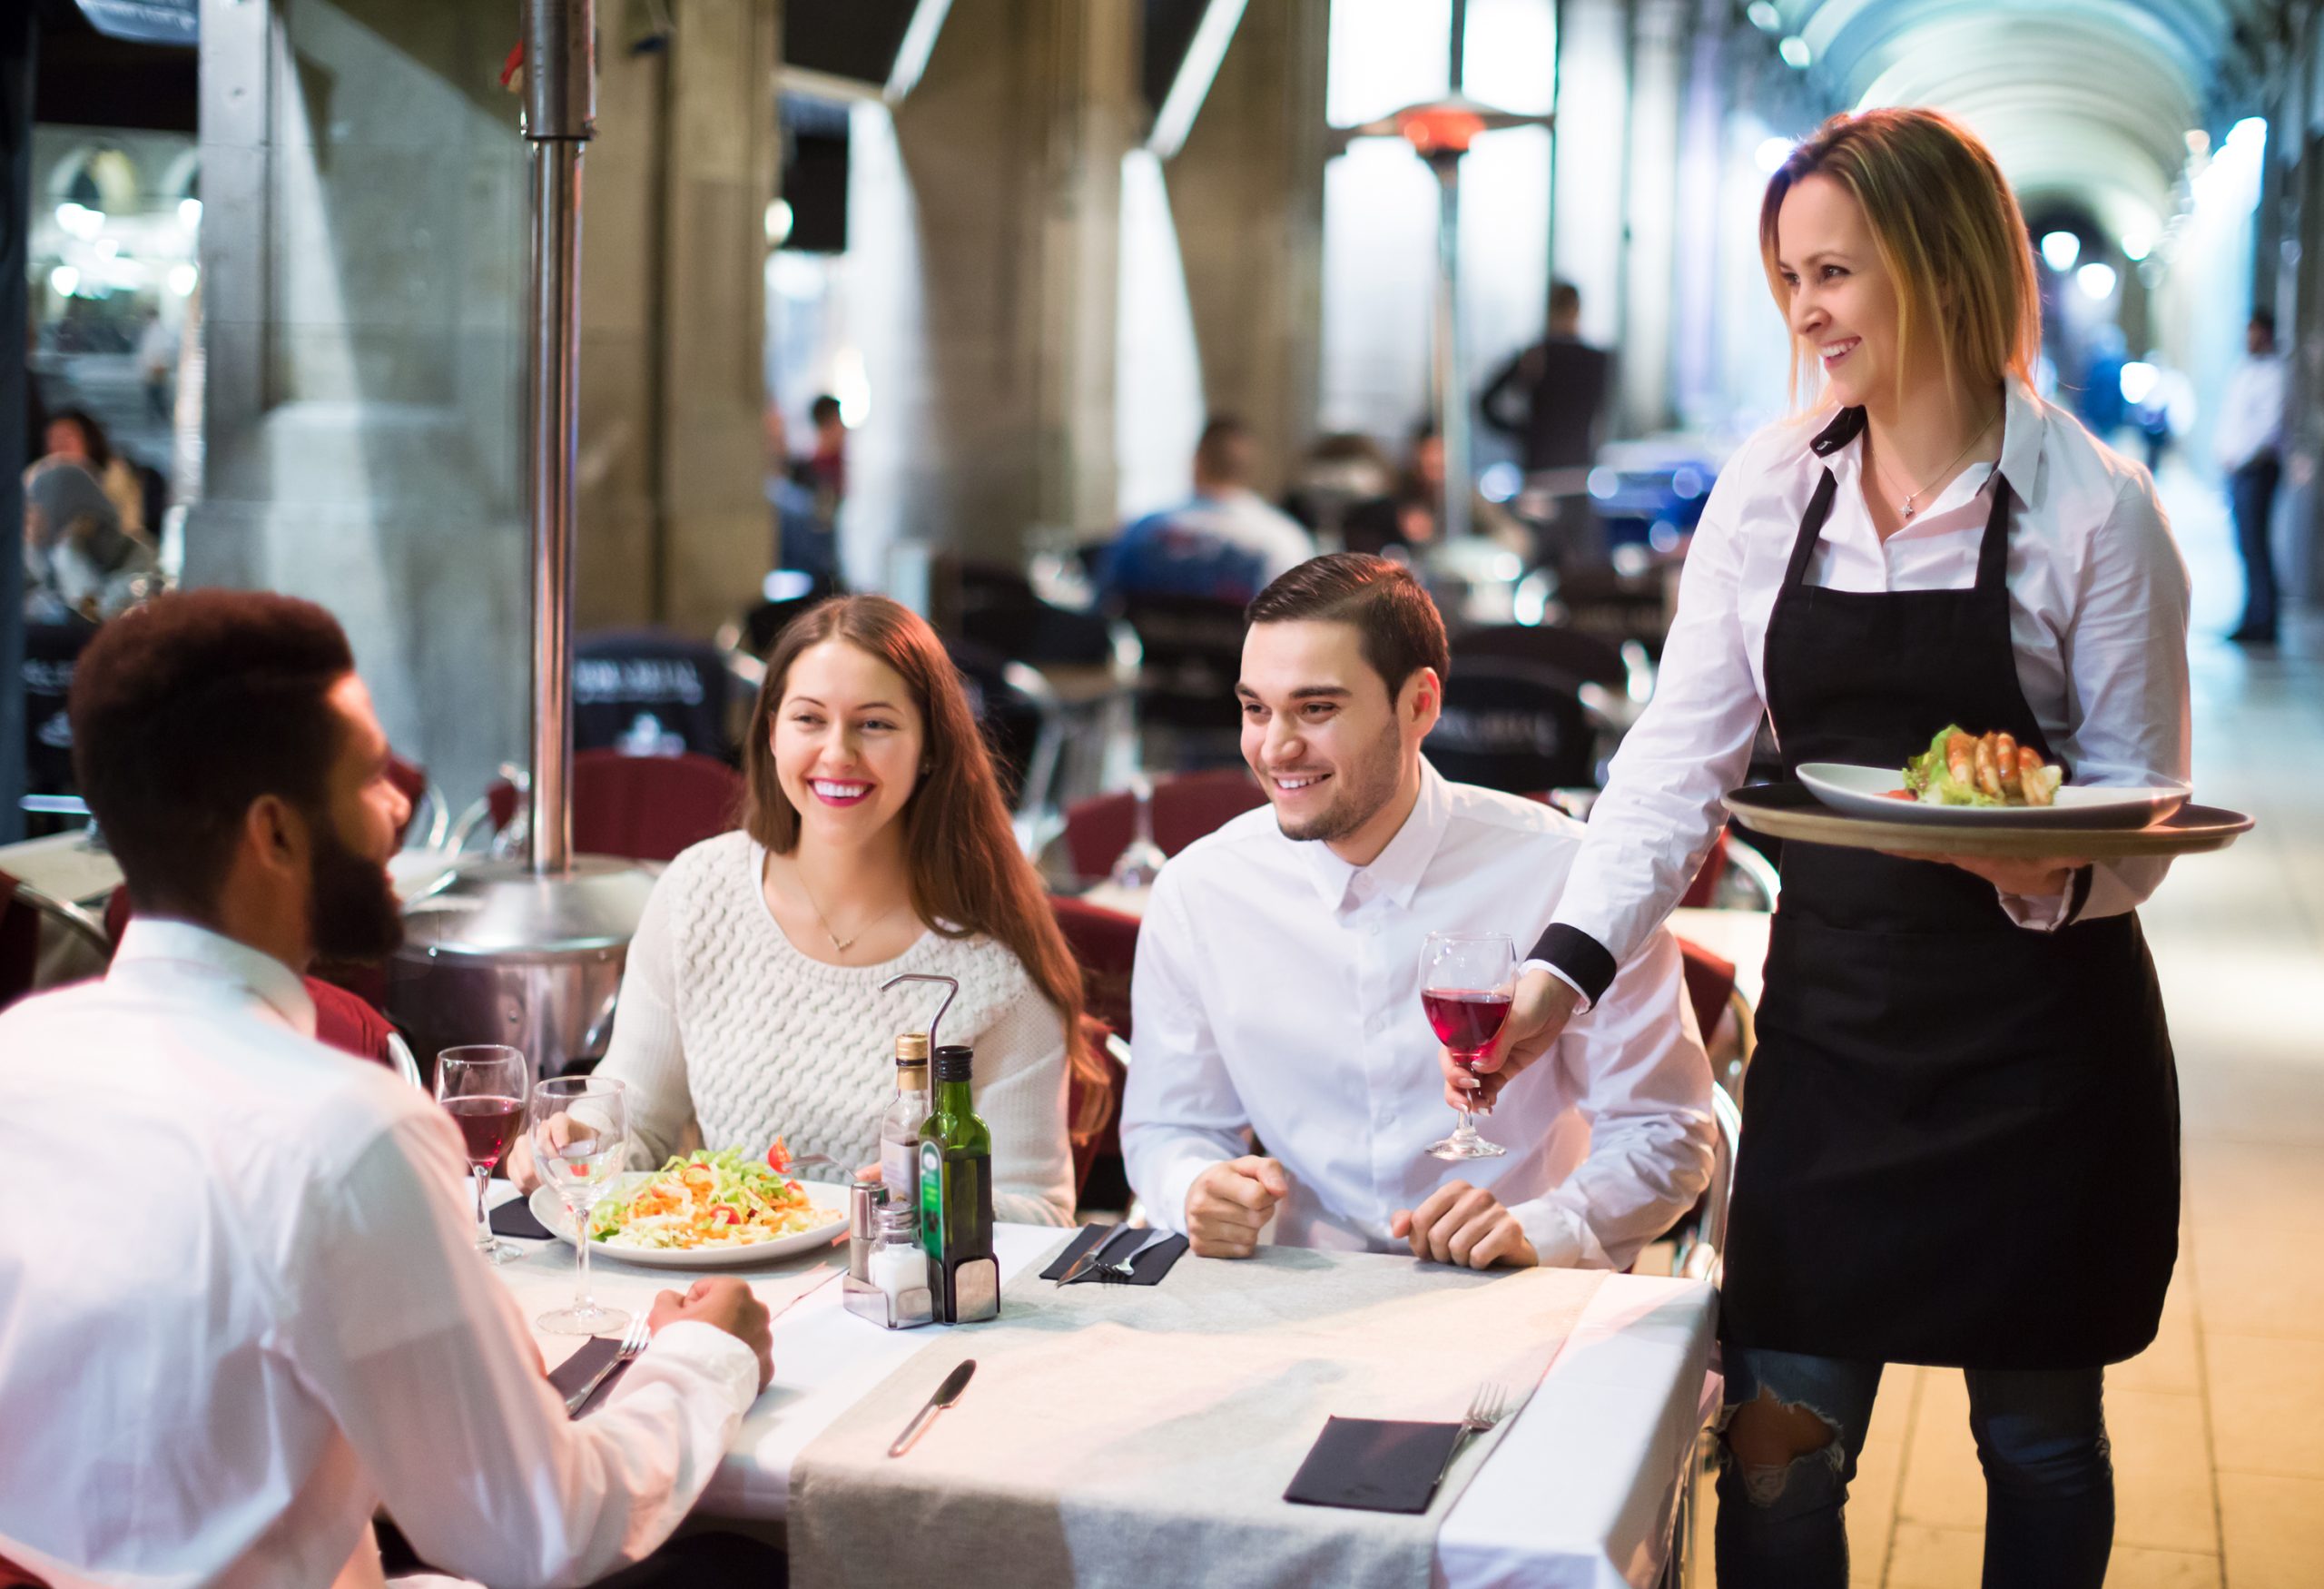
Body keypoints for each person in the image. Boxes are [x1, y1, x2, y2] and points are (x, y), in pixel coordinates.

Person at [1451, 110, 2187, 1588]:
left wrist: (2043, 870)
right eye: (1792, 274)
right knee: (1781, 1445)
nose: (1806, 309)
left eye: (1837, 271)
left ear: (1941, 264)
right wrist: (1562, 978)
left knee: (2039, 1442)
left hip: (2044, 1043)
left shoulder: (2097, 512)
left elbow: (2142, 805)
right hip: (1839, 1035)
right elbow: (1674, 769)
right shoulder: (1773, 488)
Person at [0, 590, 782, 1588]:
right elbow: (542, 1529)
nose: (399, 806)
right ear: (275, 834)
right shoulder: (345, 1133)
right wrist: (701, 1358)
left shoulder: (17, 1054)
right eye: (368, 776)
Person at [1119, 553, 1715, 1269]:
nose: (1275, 747)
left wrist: (1541, 1230)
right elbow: (1169, 1125)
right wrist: (1194, 1186)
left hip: (1518, 1301)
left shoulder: (1574, 879)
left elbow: (1664, 1135)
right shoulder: (1199, 891)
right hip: (1292, 1301)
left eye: (1316, 709)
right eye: (1255, 709)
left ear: (1420, 705)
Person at [511, 595, 1087, 1226]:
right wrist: (576, 1145)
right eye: (809, 719)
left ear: (929, 748)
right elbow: (636, 1120)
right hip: (725, 1296)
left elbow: (1042, 1213)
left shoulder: (994, 962)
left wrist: (930, 1205)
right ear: (771, 732)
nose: (838, 754)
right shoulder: (700, 890)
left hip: (907, 1308)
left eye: (875, 724)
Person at [1098, 415, 1317, 605]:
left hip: (1151, 652)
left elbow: (1103, 602)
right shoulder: (1284, 539)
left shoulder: (1141, 530)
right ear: (1248, 468)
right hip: (1244, 653)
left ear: (1196, 462)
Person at [1482, 280, 1613, 568]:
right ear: (1578, 310)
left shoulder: (1536, 355)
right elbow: (1602, 415)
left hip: (1541, 477)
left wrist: (1524, 433)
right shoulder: (1598, 360)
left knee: (1537, 565)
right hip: (1578, 478)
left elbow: (1486, 404)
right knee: (1581, 571)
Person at [2217, 308, 2287, 645]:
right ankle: (2251, 617)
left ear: (2267, 334)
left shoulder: (2276, 373)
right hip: (2239, 470)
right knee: (2245, 545)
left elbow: (2268, 429)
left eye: (2256, 331)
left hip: (2258, 470)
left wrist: (2240, 458)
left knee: (2257, 546)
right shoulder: (2244, 369)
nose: (2250, 337)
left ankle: (2265, 621)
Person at [21, 451, 155, 621]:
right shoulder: (38, 561)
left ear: (66, 513)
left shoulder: (136, 561)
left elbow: (95, 618)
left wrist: (69, 554)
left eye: (38, 512)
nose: (29, 523)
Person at [37, 406, 144, 536]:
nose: (60, 446)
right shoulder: (37, 478)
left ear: (88, 441)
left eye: (68, 436)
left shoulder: (116, 477)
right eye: (53, 438)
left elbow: (128, 530)